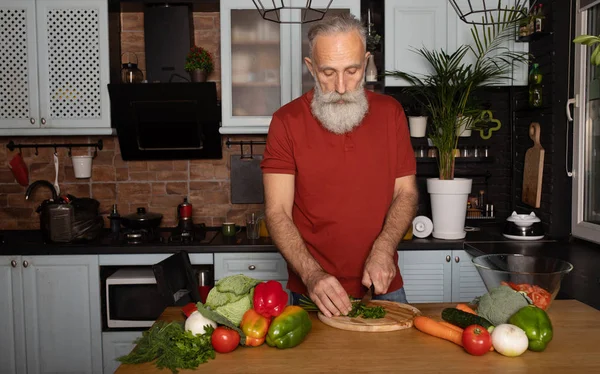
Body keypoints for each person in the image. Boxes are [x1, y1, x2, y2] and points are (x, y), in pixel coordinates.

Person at [260, 13, 418, 318]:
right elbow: (277, 211)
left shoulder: (391, 114)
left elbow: (406, 192)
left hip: (383, 286)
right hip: (312, 293)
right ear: (310, 67)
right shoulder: (285, 122)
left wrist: (384, 249)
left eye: (352, 70)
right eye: (328, 72)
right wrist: (311, 275)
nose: (342, 87)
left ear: (367, 62)